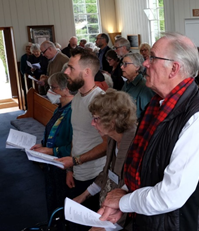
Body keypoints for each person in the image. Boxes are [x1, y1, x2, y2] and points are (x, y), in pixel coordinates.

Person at [98, 33, 199, 231]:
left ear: (174, 69)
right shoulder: (158, 104)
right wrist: (125, 198)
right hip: (148, 219)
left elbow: (171, 195)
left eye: (152, 57)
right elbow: (144, 165)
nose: (145, 63)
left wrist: (124, 201)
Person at [58, 48, 108, 230]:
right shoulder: (78, 97)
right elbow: (76, 135)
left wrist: (76, 161)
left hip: (95, 176)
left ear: (87, 72)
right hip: (77, 172)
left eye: (71, 68)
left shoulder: (100, 100)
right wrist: (71, 168)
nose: (66, 72)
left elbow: (107, 145)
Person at [73, 90, 137, 229]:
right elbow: (106, 174)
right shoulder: (113, 139)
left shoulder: (135, 144)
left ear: (112, 121)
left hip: (122, 219)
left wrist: (105, 227)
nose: (92, 123)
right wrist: (83, 196)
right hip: (108, 211)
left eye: (96, 118)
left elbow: (132, 191)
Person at [30, 72, 74, 218]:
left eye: (53, 88)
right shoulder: (60, 108)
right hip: (52, 164)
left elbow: (74, 146)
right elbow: (52, 132)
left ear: (66, 89)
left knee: (62, 205)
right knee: (53, 201)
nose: (50, 92)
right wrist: (42, 145)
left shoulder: (73, 112)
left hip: (64, 166)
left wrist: (50, 150)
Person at [121, 53, 154, 120]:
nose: (121, 67)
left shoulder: (145, 87)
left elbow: (149, 117)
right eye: (122, 64)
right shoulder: (126, 83)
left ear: (137, 67)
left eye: (125, 64)